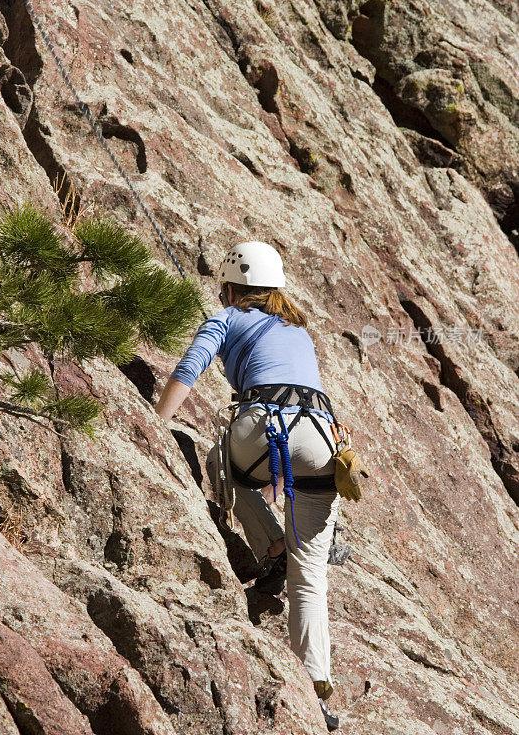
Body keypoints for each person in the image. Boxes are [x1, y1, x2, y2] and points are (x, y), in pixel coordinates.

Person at [156, 241, 344, 732]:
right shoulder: (298, 329)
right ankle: (316, 689)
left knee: (224, 463)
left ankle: (272, 543)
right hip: (322, 438)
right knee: (312, 577)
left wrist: (155, 423)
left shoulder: (225, 318)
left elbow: (190, 369)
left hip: (264, 425)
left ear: (231, 286)